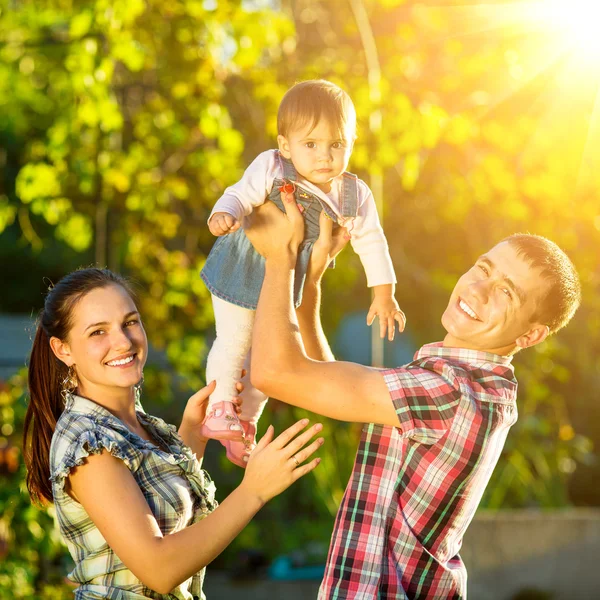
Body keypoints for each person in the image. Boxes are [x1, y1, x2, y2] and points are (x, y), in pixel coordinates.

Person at [243, 197, 582, 599]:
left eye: (506, 293)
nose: (478, 289)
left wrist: (277, 257)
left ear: (530, 335)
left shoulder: (449, 392)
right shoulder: (471, 388)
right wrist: (311, 286)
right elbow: (330, 388)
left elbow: (274, 374)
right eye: (483, 268)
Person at [22, 267, 325, 600]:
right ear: (62, 349)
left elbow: (163, 516)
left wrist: (192, 437)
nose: (123, 341)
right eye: (98, 332)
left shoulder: (136, 425)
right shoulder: (88, 443)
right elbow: (159, 569)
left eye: (130, 322)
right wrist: (253, 491)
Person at [198, 79, 405, 467]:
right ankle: (220, 405)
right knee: (236, 338)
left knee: (267, 358)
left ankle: (244, 422)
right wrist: (225, 213)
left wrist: (383, 293)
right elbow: (240, 194)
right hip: (242, 267)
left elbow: (372, 242)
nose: (324, 156)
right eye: (311, 144)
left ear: (351, 143)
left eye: (336, 144)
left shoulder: (354, 195)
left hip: (286, 284)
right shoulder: (271, 167)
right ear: (285, 145)